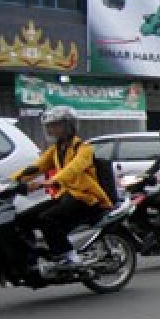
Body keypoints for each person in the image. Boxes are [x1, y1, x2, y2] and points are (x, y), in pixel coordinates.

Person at [14, 105, 114, 268]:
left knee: (48, 218)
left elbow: (73, 168)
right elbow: (36, 167)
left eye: (56, 125)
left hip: (86, 198)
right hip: (65, 195)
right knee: (22, 219)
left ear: (68, 126)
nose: (51, 129)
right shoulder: (55, 150)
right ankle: (31, 257)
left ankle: (68, 255)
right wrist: (12, 180)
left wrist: (52, 180)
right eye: (49, 126)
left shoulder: (83, 149)